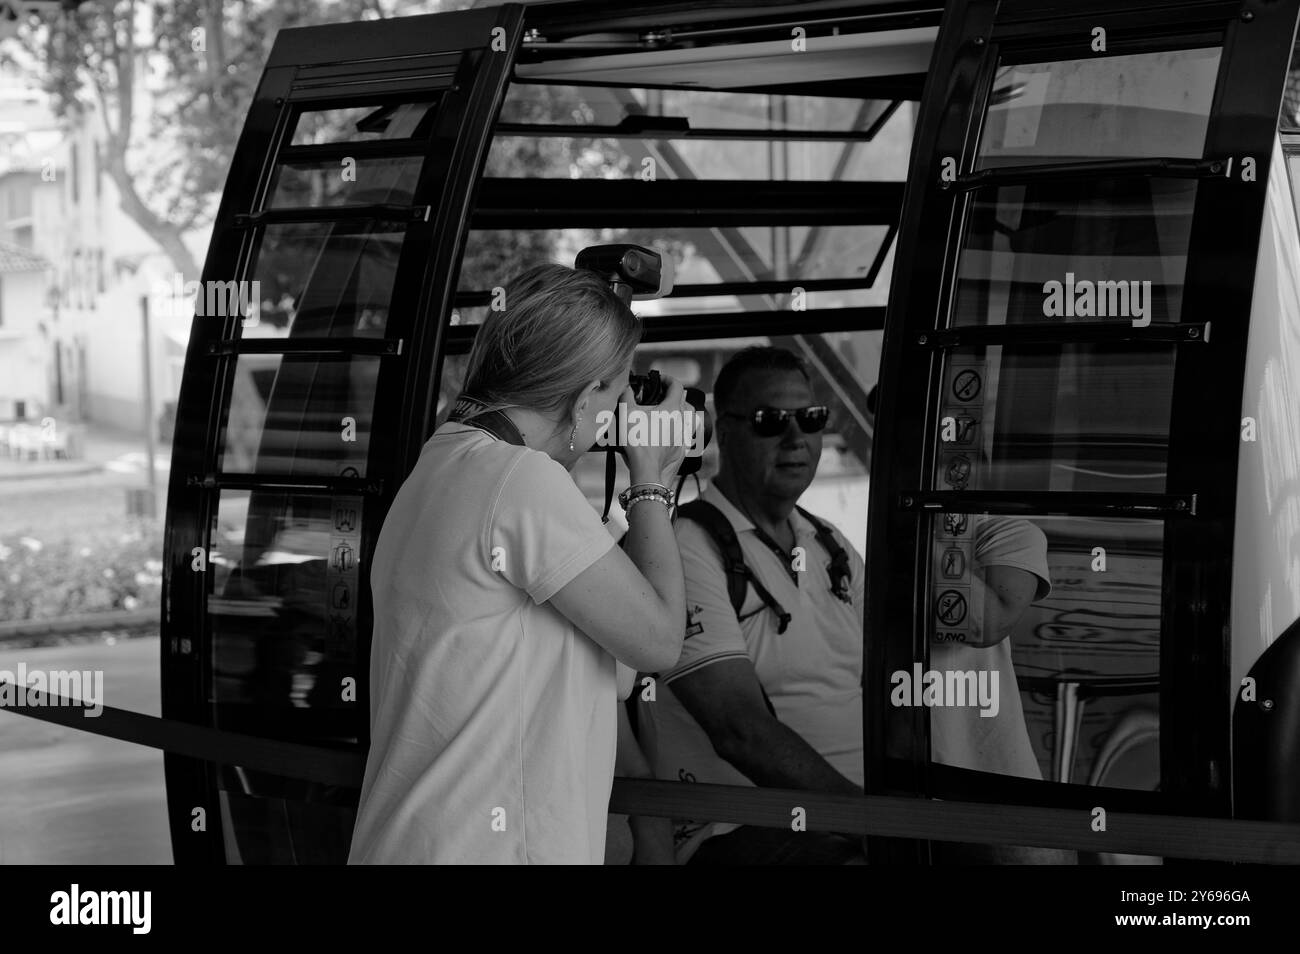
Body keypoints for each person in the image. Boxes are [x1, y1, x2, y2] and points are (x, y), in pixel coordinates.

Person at [348, 263, 690, 864]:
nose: (623, 410)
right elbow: (659, 641)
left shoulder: (446, 462)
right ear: (586, 398)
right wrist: (650, 484)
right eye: (618, 390)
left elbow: (599, 665)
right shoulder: (521, 482)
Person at [638, 347, 869, 864]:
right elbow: (739, 732)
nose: (795, 439)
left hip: (857, 818)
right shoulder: (686, 547)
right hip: (742, 829)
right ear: (725, 429)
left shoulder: (831, 544)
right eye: (770, 421)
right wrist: (869, 821)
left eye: (810, 419)